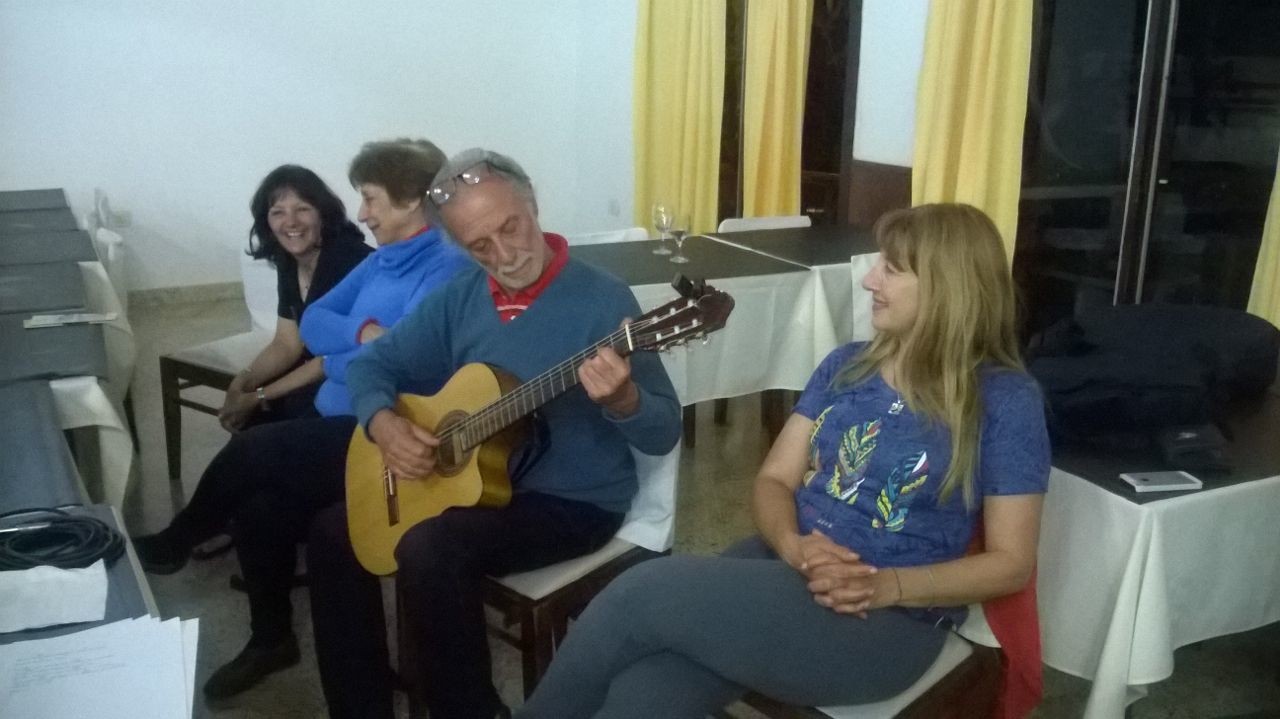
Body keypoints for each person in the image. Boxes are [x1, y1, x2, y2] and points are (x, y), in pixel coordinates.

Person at [516, 203, 1051, 718]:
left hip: (885, 618)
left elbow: (1011, 564)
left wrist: (886, 585)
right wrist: (794, 546)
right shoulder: (846, 365)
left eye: (890, 269)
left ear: (945, 288)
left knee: (638, 594)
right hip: (783, 564)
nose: (870, 281)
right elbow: (773, 479)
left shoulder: (1004, 401)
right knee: (646, 694)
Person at [303, 147, 683, 719]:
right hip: (478, 486)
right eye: (480, 246)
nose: (504, 255)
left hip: (572, 502)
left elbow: (663, 433)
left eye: (511, 228)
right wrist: (383, 422)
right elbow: (372, 366)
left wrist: (624, 400)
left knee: (430, 549)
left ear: (533, 206)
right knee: (334, 531)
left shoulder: (603, 299)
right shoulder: (460, 298)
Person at [133, 138, 471, 703]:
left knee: (255, 451)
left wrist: (353, 352)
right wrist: (363, 335)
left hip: (381, 428)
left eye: (371, 198)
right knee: (259, 509)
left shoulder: (446, 268)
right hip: (333, 414)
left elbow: (409, 365)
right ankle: (271, 640)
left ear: (412, 200)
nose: (363, 212)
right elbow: (315, 323)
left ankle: (181, 538)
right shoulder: (384, 258)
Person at [220, 164, 371, 429]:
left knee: (269, 426)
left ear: (323, 214)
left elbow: (332, 357)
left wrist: (259, 395)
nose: (290, 222)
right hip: (312, 369)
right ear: (266, 221)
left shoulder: (348, 258)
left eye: (302, 209)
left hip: (347, 376)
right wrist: (243, 381)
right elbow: (287, 343)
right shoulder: (289, 258)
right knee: (252, 420)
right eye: (278, 212)